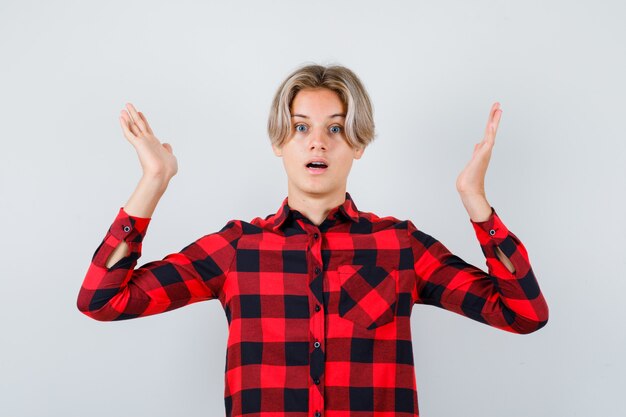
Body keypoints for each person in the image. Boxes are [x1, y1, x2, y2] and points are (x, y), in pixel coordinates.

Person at [76, 64, 549, 417]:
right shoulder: (238, 249)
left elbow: (523, 313)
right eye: (301, 127)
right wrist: (154, 179)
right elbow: (101, 300)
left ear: (358, 144)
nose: (317, 142)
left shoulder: (400, 247)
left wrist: (475, 201)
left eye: (336, 128)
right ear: (280, 141)